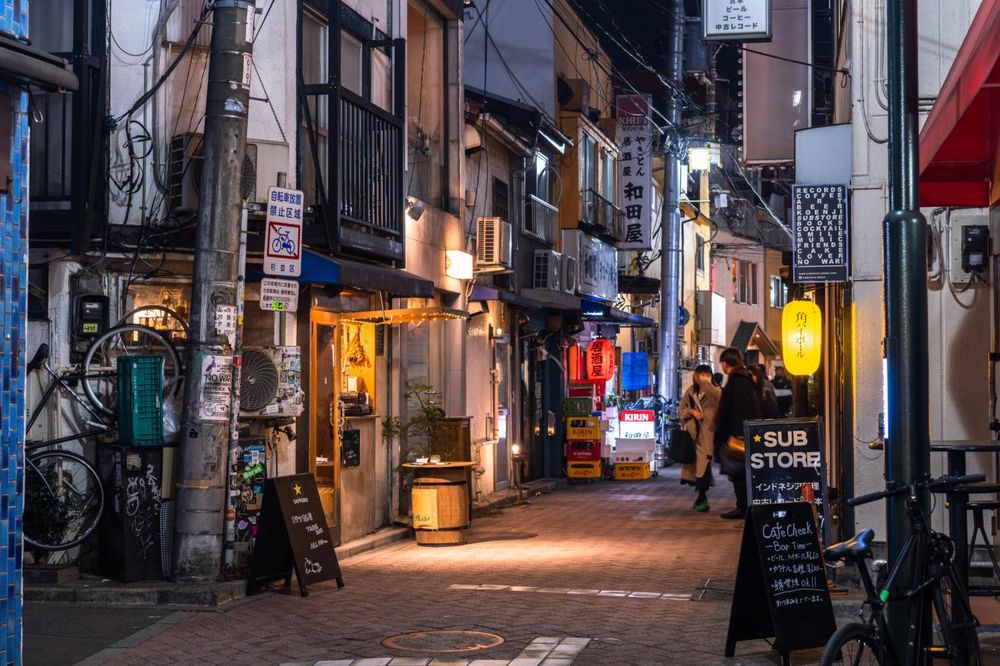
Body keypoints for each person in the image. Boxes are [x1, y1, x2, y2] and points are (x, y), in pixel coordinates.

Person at [713, 348, 763, 519]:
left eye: (723, 363)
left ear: (727, 364)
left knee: (738, 473)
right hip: (744, 433)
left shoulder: (738, 380)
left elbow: (736, 409)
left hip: (739, 435)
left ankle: (743, 507)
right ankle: (743, 507)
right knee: (740, 472)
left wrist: (737, 432)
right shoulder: (745, 377)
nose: (723, 367)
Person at [678, 364, 721, 512]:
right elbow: (681, 411)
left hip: (708, 434)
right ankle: (701, 498)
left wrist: (705, 383)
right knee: (695, 466)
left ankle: (702, 498)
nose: (702, 379)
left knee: (704, 466)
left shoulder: (716, 391)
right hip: (692, 435)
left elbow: (718, 398)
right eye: (699, 375)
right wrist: (691, 411)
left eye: (706, 375)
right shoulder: (690, 392)